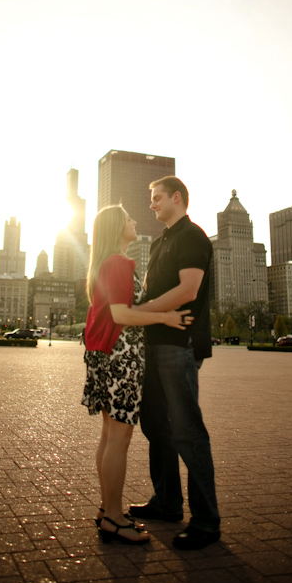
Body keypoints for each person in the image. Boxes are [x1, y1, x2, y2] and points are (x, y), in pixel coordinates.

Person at [82, 204, 193, 545]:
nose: (134, 221)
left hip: (105, 355)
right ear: (118, 227)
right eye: (128, 218)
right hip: (120, 358)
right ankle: (114, 517)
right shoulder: (117, 262)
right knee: (119, 438)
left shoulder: (109, 263)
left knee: (109, 436)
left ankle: (108, 510)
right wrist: (165, 318)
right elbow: (121, 314)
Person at [129, 176, 221, 550]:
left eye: (156, 199)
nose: (151, 205)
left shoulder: (192, 237)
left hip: (178, 346)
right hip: (153, 344)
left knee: (186, 430)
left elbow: (188, 290)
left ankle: (206, 521)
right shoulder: (161, 240)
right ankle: (167, 503)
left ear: (177, 198)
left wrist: (141, 311)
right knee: (155, 425)